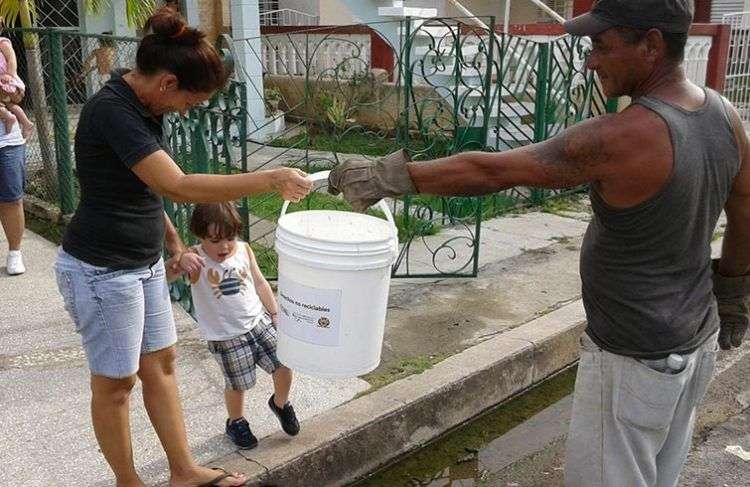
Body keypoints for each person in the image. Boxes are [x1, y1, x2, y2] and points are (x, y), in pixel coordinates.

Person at [328, 1, 750, 486]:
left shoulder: (625, 136)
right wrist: (734, 293)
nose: (591, 61)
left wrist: (383, 176)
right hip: (695, 343)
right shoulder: (723, 114)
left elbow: (493, 170)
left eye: (602, 46)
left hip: (634, 360)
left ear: (652, 45)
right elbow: (745, 209)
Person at [53, 8, 311, 487]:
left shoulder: (145, 106)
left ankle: (183, 471)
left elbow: (144, 187)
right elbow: (176, 184)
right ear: (168, 83)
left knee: (162, 365)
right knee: (116, 385)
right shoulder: (112, 110)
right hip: (101, 269)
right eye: (191, 101)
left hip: (144, 262)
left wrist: (170, 242)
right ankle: (128, 482)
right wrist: (270, 178)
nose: (188, 111)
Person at [166, 202, 300, 450]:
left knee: (285, 363)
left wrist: (274, 311)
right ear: (199, 235)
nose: (225, 246)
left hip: (258, 321)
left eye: (230, 238)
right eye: (215, 240)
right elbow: (169, 276)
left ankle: (281, 403)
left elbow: (259, 283)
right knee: (238, 384)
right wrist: (179, 261)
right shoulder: (195, 260)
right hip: (226, 337)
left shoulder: (244, 250)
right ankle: (236, 421)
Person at [0, 34, 28, 276]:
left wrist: (8, 88)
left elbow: (17, 94)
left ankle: (14, 253)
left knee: (11, 198)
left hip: (7, 143)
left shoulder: (4, 50)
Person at [0, 36, 33, 139]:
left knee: (8, 102)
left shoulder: (2, 43)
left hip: (6, 81)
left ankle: (9, 117)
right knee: (8, 104)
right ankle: (25, 122)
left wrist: (9, 74)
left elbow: (12, 59)